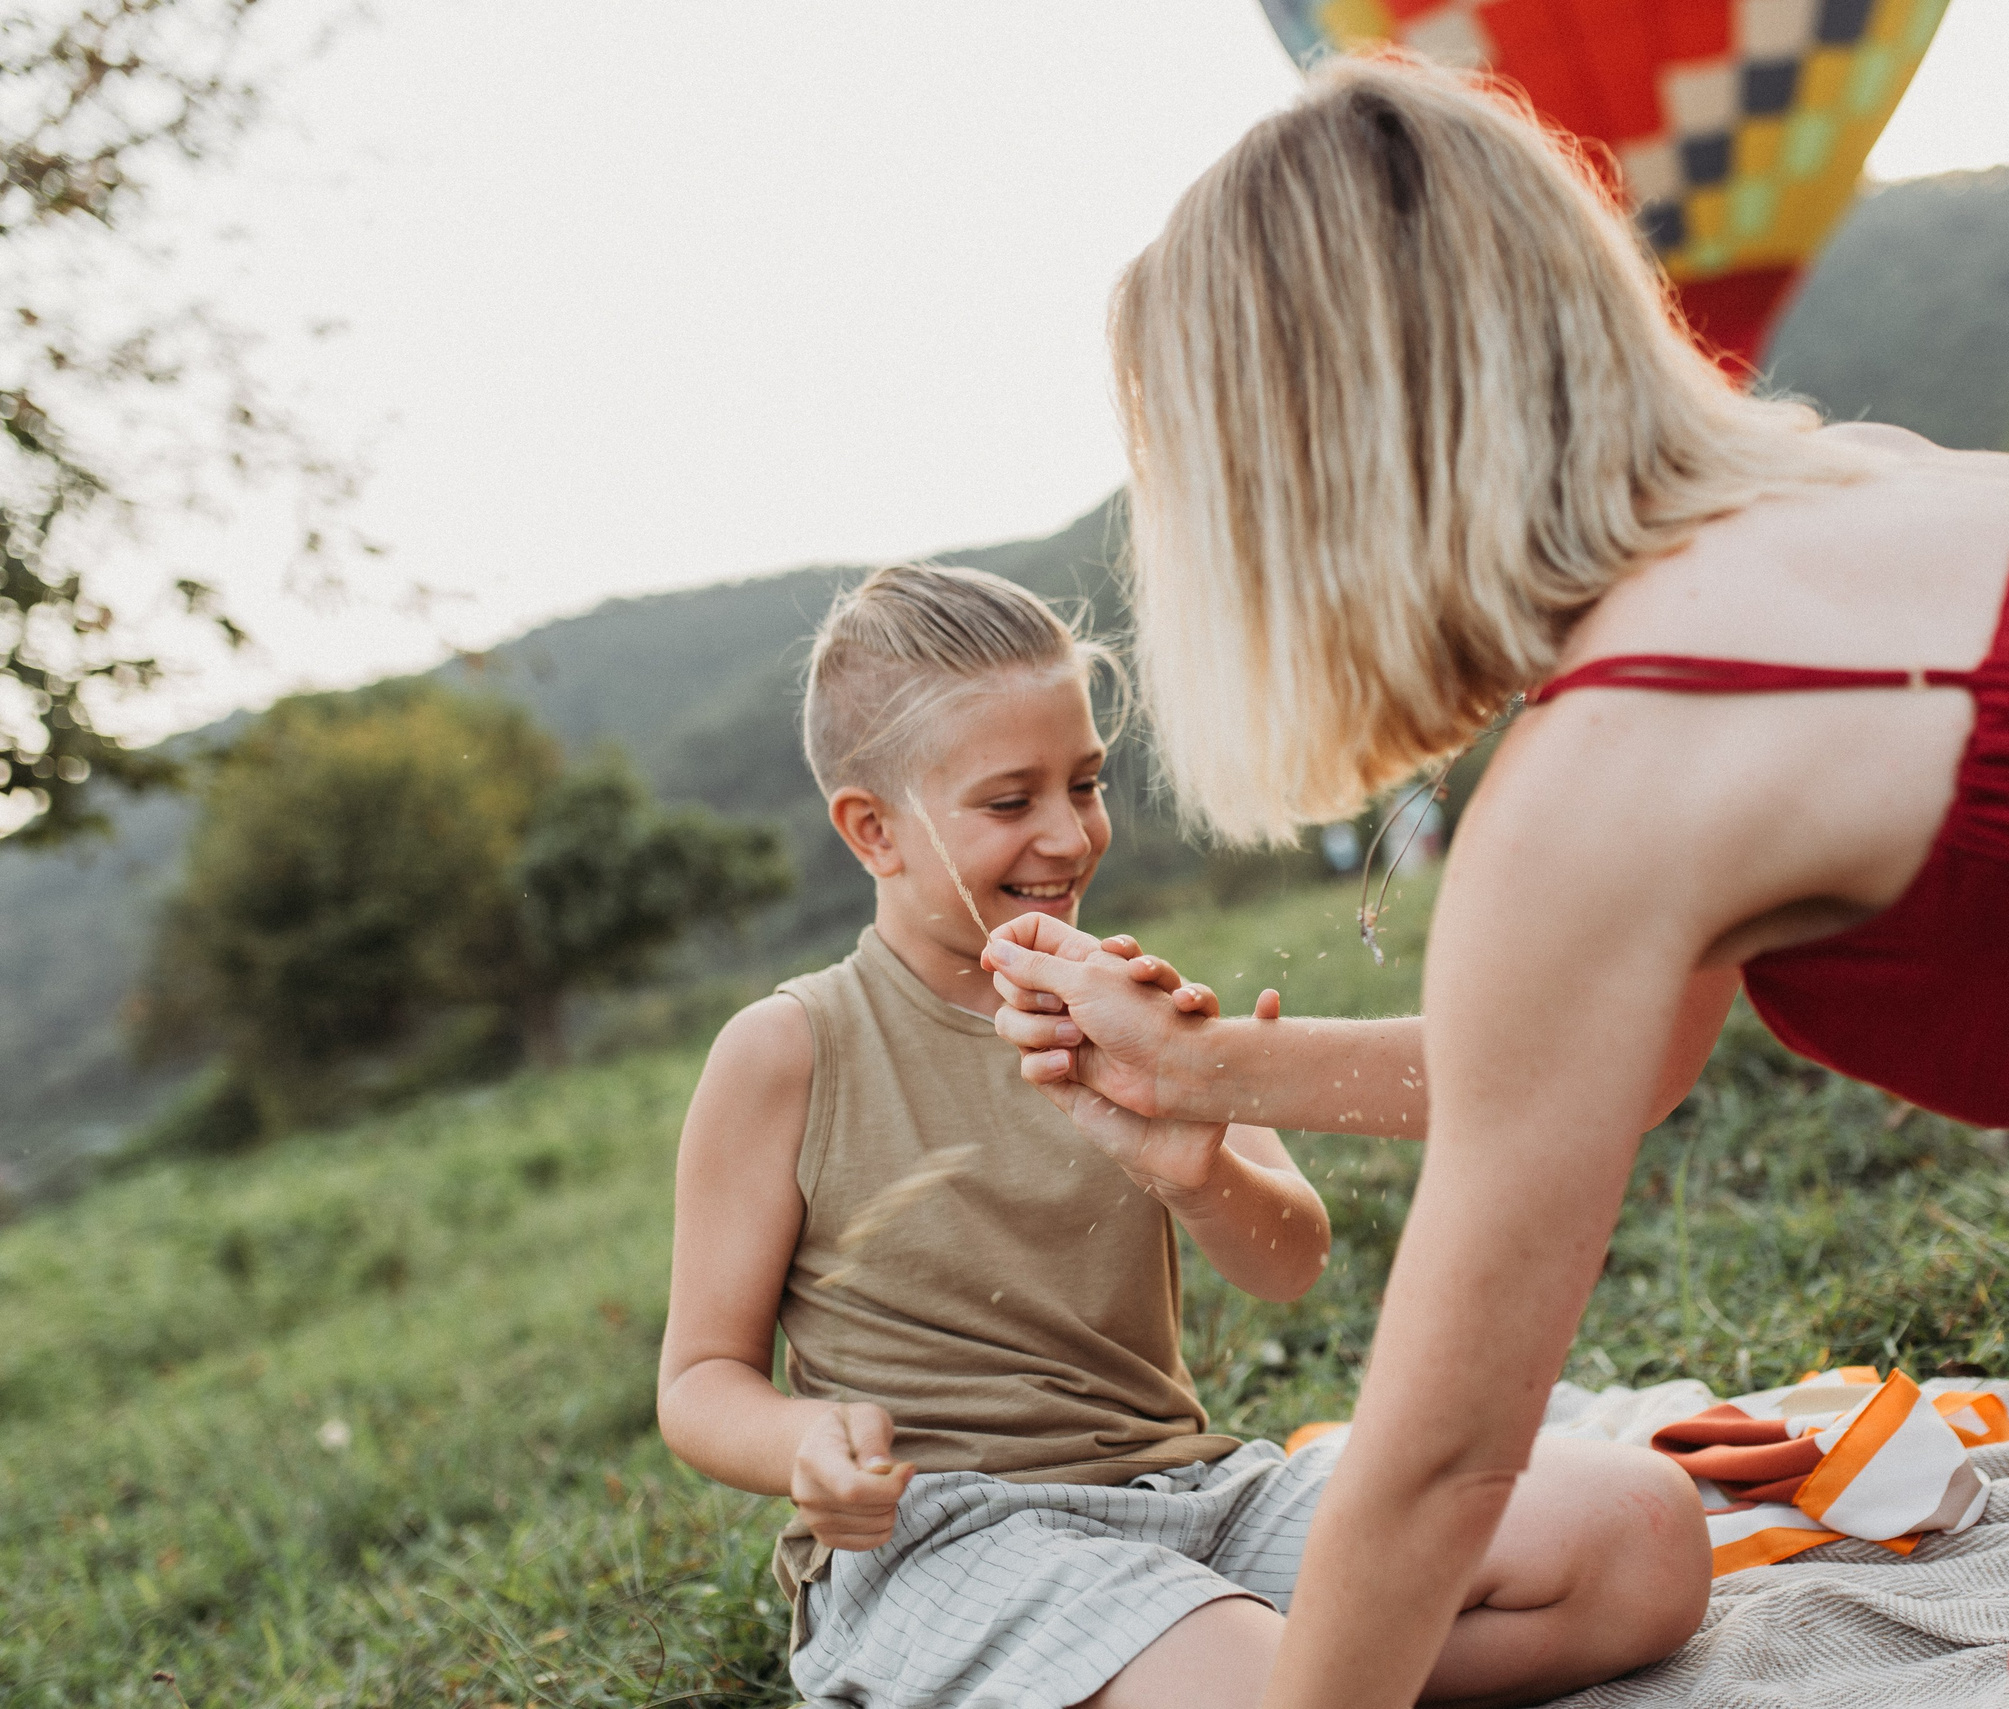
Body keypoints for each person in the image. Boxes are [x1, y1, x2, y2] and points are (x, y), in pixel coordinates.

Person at [975, 51, 2009, 1709]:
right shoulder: (1848, 491)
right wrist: (1211, 1072)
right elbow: (1601, 1063)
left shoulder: (1622, 768)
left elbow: (1443, 1459)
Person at [652, 561, 1710, 1709]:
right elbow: (700, 1377)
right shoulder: (787, 1051)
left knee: (1644, 1535)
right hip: (949, 1539)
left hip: (1193, 1497)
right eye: (1010, 802)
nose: (1067, 833)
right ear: (874, 832)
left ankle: (1250, 1674)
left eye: (1086, 781)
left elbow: (1288, 1260)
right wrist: (802, 1443)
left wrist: (1198, 1170)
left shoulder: (1134, 1002)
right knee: (1269, 1682)